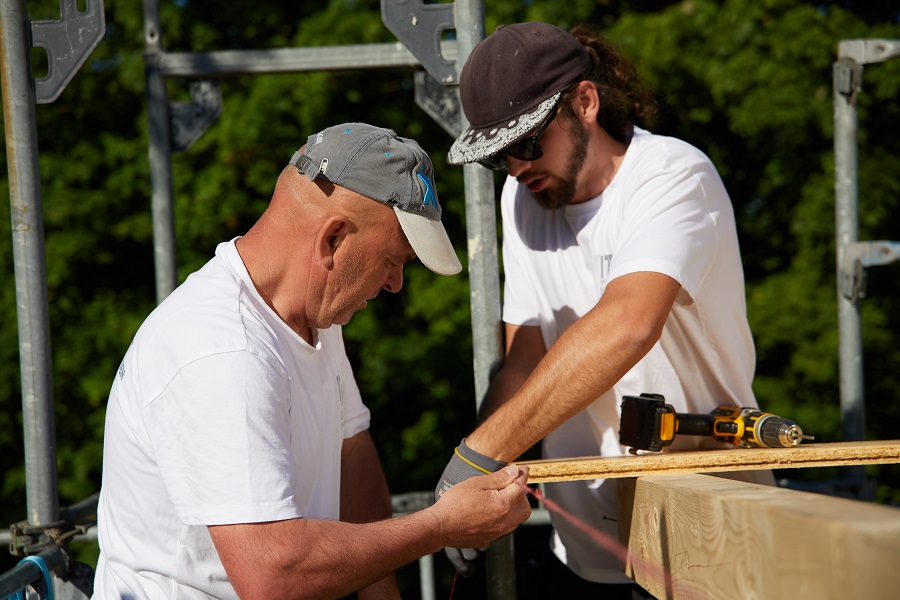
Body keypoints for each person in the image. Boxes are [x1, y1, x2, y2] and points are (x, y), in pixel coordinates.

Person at [93, 123, 532, 600]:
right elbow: (272, 577)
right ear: (333, 239)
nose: (395, 285)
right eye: (393, 260)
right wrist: (441, 526)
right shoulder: (221, 352)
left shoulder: (316, 317)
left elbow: (353, 452)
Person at [436, 22, 775, 599]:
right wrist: (473, 481)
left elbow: (627, 325)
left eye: (524, 144)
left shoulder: (671, 178)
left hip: (706, 542)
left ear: (585, 103)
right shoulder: (523, 198)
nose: (516, 168)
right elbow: (525, 356)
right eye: (498, 158)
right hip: (588, 556)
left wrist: (480, 453)